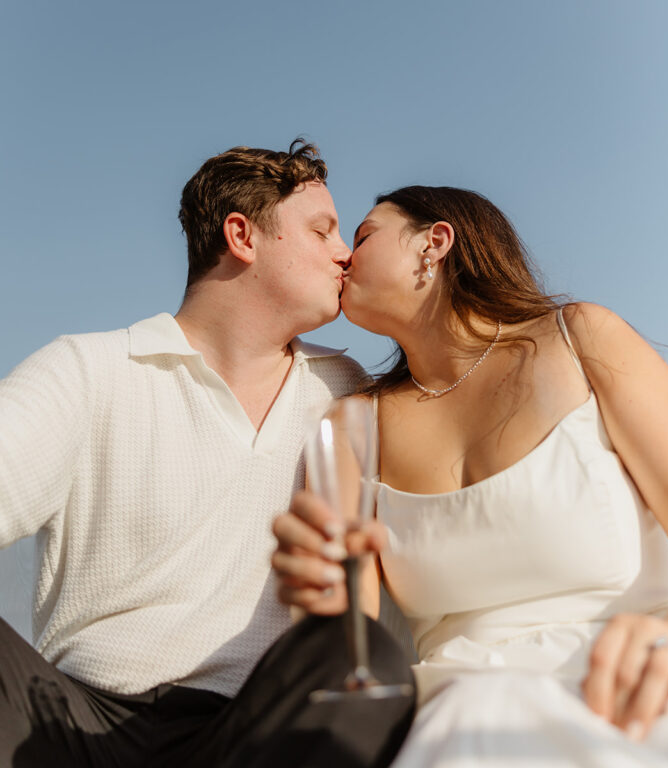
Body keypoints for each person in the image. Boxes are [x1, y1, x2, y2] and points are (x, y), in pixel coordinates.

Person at [0, 141, 414, 768]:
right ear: (242, 236)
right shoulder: (89, 370)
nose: (344, 252)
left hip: (255, 732)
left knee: (366, 662)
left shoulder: (350, 393)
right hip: (74, 726)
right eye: (322, 229)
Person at [273, 184, 668, 766]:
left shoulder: (581, 338)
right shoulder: (352, 426)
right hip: (462, 709)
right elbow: (348, 644)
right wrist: (318, 592)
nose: (342, 255)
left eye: (362, 237)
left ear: (433, 244)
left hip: (636, 677)